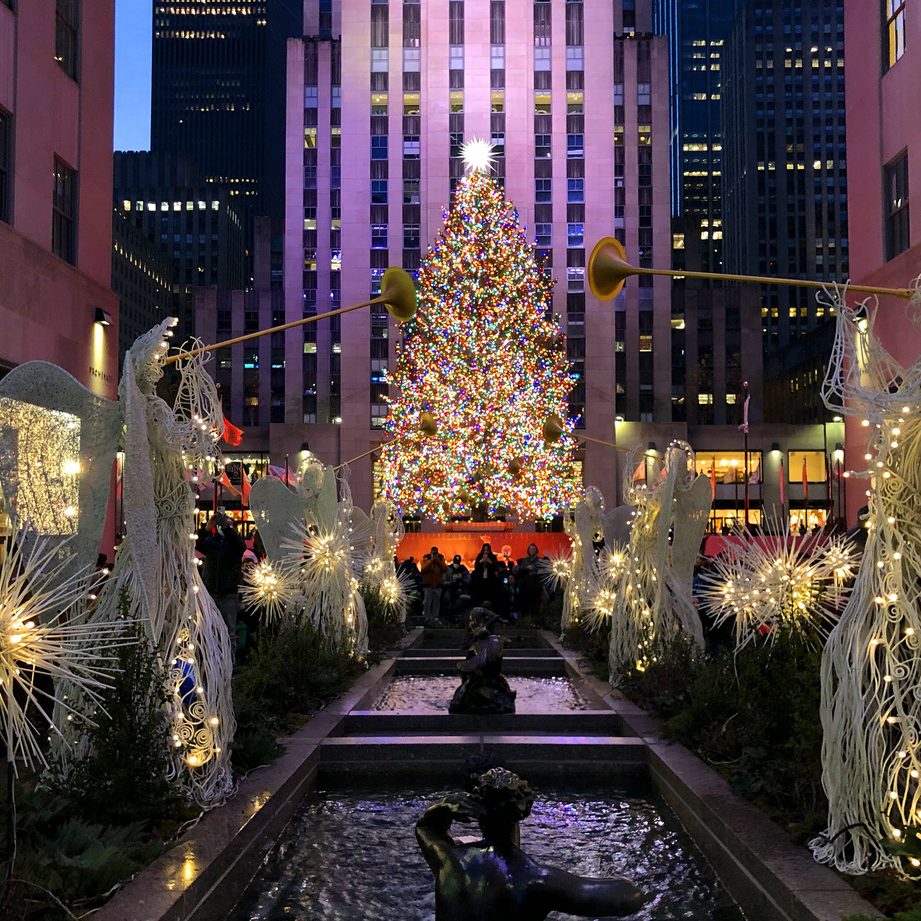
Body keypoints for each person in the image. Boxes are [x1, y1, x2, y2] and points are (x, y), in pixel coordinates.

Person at [416, 768, 645, 921]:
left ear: (477, 808)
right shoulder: (537, 880)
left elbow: (425, 828)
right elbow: (630, 896)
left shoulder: (450, 859)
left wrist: (444, 805)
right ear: (523, 811)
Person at [197, 512, 246, 649]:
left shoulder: (235, 545)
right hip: (211, 592)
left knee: (229, 630)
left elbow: (240, 545)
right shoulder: (212, 542)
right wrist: (206, 528)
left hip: (228, 594)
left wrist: (226, 528)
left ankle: (230, 664)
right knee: (209, 630)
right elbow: (197, 543)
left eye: (228, 524)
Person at [515, 543, 543, 621]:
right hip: (526, 585)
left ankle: (535, 620)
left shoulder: (539, 560)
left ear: (536, 550)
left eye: (533, 549)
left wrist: (534, 570)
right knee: (525, 603)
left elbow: (543, 570)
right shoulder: (525, 560)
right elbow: (519, 568)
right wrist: (526, 568)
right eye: (530, 549)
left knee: (535, 604)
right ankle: (525, 619)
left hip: (535, 585)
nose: (532, 550)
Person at [421, 546, 449, 623]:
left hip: (437, 585)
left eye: (436, 553)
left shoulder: (440, 559)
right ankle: (427, 617)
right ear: (430, 552)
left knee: (436, 602)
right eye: (433, 553)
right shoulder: (426, 559)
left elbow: (445, 569)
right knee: (427, 602)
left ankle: (435, 617)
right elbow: (423, 570)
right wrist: (431, 561)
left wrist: (437, 561)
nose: (434, 554)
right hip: (428, 585)